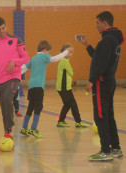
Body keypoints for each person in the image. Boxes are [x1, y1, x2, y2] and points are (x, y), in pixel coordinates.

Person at [78, 11, 124, 161]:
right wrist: (87, 45)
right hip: (109, 81)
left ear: (105, 23)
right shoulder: (113, 39)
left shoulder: (107, 40)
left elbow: (101, 63)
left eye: (97, 23)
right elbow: (98, 57)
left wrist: (92, 80)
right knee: (109, 115)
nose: (96, 26)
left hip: (102, 83)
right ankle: (115, 148)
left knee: (100, 116)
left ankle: (105, 150)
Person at [0, 17, 29, 142]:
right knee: (3, 106)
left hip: (14, 77)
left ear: (7, 27)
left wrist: (14, 62)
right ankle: (7, 131)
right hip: (0, 80)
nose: (2, 31)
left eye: (3, 28)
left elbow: (26, 58)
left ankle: (9, 127)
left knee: (7, 99)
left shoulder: (17, 41)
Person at [20, 40, 72, 138]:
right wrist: (65, 52)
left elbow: (23, 68)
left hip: (31, 87)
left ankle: (24, 128)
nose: (48, 53)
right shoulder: (44, 56)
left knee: (30, 107)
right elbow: (54, 59)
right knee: (38, 107)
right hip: (39, 86)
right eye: (48, 51)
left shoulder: (33, 58)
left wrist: (16, 76)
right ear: (44, 49)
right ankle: (34, 129)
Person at [56, 43, 89, 128]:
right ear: (63, 53)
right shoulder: (64, 61)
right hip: (64, 87)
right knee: (73, 104)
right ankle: (78, 122)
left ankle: (61, 121)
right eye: (68, 52)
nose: (70, 54)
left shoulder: (63, 60)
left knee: (67, 104)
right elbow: (71, 73)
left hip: (62, 87)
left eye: (71, 52)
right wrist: (70, 69)